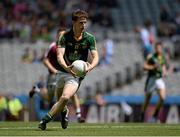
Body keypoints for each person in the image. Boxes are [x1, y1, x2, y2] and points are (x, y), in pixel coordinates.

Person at [38, 9, 99, 130]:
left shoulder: (90, 38)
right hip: (62, 71)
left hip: (76, 75)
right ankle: (64, 113)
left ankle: (45, 120)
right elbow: (59, 56)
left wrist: (90, 67)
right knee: (60, 101)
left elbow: (96, 57)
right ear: (74, 22)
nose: (84, 25)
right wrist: (66, 67)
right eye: (81, 23)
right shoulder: (64, 37)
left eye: (85, 22)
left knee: (65, 97)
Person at [29, 29, 85, 123]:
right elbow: (45, 60)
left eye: (63, 35)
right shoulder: (53, 46)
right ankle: (37, 90)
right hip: (54, 76)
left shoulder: (68, 46)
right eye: (60, 35)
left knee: (71, 94)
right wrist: (54, 70)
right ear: (56, 36)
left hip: (66, 75)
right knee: (49, 98)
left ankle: (78, 115)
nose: (61, 37)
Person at [140, 42, 168, 122]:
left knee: (162, 97)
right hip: (151, 79)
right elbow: (144, 66)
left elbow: (163, 67)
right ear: (155, 48)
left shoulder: (162, 57)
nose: (158, 49)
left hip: (159, 79)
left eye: (160, 48)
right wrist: (153, 67)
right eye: (157, 48)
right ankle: (142, 114)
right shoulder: (151, 57)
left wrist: (165, 72)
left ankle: (155, 114)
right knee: (147, 99)